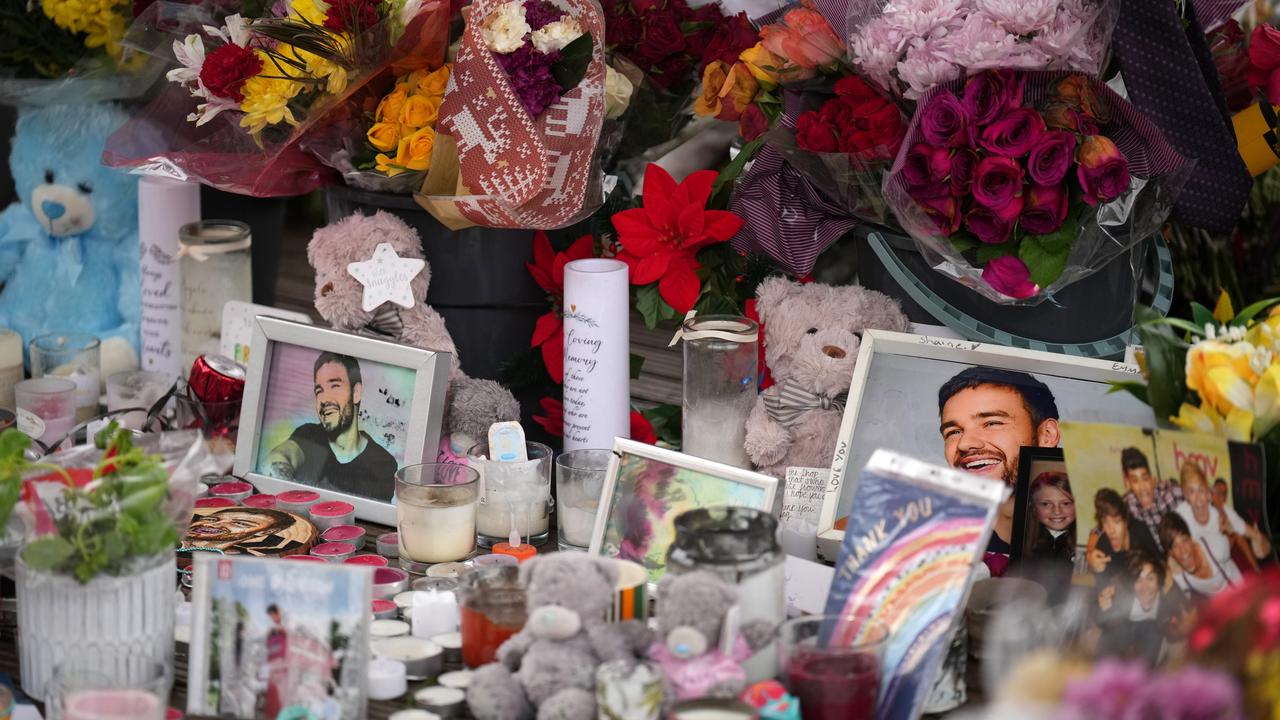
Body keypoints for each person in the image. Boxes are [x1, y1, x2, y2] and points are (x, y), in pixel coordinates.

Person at [938, 367, 1061, 558]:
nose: (965, 443)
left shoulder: (1091, 544)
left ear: (1046, 435)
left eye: (992, 423)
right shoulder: (929, 547)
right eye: (953, 432)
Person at [265, 352, 398, 499]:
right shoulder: (309, 436)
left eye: (335, 386)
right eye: (319, 391)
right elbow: (280, 457)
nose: (323, 400)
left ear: (356, 393)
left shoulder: (382, 463)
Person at [1095, 548, 1189, 665]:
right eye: (1138, 580)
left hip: (1151, 637)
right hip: (1123, 631)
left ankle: (1143, 676)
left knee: (1153, 631)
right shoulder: (1119, 590)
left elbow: (1177, 632)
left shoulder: (1168, 596)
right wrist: (1103, 608)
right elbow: (1103, 624)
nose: (1145, 588)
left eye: (1150, 578)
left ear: (1159, 579)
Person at [1173, 463, 1270, 575]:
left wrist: (1261, 543)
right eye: (1192, 491)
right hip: (1200, 583)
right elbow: (1169, 548)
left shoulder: (1223, 513)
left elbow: (1254, 535)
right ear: (1185, 495)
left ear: (1207, 490)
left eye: (1201, 490)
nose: (1198, 498)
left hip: (1229, 579)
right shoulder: (1180, 516)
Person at [1086, 488, 1160, 582]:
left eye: (1116, 522)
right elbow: (1100, 585)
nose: (1111, 530)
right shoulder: (1103, 546)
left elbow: (1160, 566)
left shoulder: (1141, 532)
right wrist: (1092, 566)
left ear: (1125, 522)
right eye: (1105, 522)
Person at [1022, 471, 1076, 597]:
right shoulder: (1023, 544)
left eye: (1066, 503)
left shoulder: (1089, 545)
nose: (1057, 511)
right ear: (1033, 507)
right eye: (1046, 504)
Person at [1159, 511, 1237, 598]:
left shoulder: (1214, 546)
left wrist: (1227, 530)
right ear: (1171, 553)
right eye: (1175, 546)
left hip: (1241, 590)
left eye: (1184, 540)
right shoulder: (1180, 577)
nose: (1183, 551)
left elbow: (1231, 539)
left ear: (1190, 538)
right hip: (1222, 606)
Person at [1118, 446, 1182, 552]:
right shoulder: (1126, 503)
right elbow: (1100, 528)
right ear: (1128, 484)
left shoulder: (1170, 492)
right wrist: (1091, 553)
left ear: (1152, 478)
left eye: (1145, 478)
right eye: (1135, 481)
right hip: (1153, 562)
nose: (1142, 487)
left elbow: (1203, 495)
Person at [264, 604, 288, 720]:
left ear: (278, 613)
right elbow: (267, 649)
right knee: (272, 697)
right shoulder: (270, 632)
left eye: (272, 615)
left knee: (281, 696)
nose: (271, 618)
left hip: (283, 668)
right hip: (273, 668)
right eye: (270, 616)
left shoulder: (286, 628)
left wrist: (280, 629)